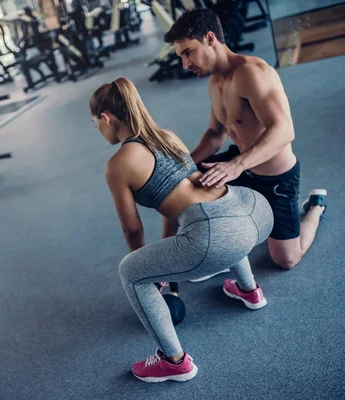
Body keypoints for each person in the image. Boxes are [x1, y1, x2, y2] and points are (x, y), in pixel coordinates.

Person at [90, 77, 274, 383]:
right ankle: (249, 290)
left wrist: (148, 270)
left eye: (95, 122)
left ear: (106, 118)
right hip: (253, 209)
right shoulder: (167, 136)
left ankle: (173, 361)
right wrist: (163, 264)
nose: (97, 129)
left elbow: (132, 229)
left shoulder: (118, 164)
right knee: (213, 220)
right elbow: (177, 208)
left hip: (218, 233)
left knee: (130, 271)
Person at [163, 8, 327, 270]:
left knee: (286, 259)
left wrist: (236, 165)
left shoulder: (252, 73)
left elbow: (284, 130)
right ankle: (171, 263)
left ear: (209, 38)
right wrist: (184, 164)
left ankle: (315, 208)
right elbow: (215, 135)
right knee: (181, 186)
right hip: (241, 167)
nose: (185, 64)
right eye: (181, 56)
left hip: (275, 179)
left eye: (187, 52)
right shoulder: (215, 83)